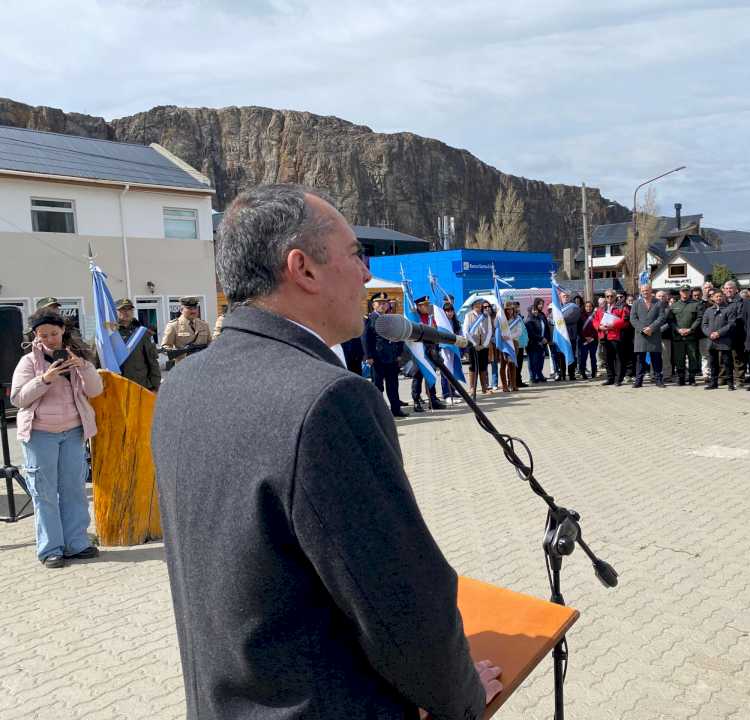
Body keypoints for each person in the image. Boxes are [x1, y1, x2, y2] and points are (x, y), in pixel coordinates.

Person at [152, 184, 501, 719]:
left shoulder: (184, 381)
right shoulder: (328, 400)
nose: (366, 275)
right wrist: (459, 695)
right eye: (356, 255)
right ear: (304, 269)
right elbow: (400, 600)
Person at [10, 310, 104, 568]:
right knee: (45, 493)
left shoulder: (78, 357)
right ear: (35, 336)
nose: (50, 339)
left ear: (63, 330)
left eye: (54, 333)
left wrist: (84, 367)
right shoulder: (28, 362)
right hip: (40, 435)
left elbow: (95, 391)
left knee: (74, 490)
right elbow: (17, 399)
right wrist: (45, 379)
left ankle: (77, 543)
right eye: (43, 335)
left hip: (73, 432)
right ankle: (51, 548)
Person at [362, 292, 406, 418]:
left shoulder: (390, 318)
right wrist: (368, 356)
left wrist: (398, 353)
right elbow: (366, 338)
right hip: (377, 358)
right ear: (373, 305)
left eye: (385, 303)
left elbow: (399, 335)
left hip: (391, 357)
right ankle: (379, 412)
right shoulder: (369, 319)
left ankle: (396, 410)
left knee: (393, 385)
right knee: (378, 386)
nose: (382, 305)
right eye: (379, 303)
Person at [114, 298, 161, 391]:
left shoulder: (143, 333)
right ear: (115, 312)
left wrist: (155, 386)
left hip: (140, 385)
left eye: (129, 309)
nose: (127, 312)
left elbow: (152, 361)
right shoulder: (110, 333)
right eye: (123, 309)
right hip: (117, 385)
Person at [411, 296, 445, 411]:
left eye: (427, 304)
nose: (427, 307)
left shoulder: (430, 318)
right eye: (424, 305)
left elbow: (436, 332)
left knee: (431, 375)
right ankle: (416, 401)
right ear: (419, 306)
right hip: (419, 351)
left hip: (430, 351)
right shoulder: (415, 318)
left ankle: (433, 399)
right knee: (418, 377)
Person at [701, 289, 738, 390]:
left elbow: (731, 324)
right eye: (716, 296)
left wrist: (718, 333)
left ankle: (730, 383)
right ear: (712, 298)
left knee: (727, 362)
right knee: (713, 363)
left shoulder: (729, 309)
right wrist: (710, 334)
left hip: (724, 341)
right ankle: (713, 383)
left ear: (724, 297)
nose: (718, 298)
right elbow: (704, 325)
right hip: (712, 341)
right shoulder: (708, 310)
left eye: (720, 296)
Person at [630, 284, 665, 388]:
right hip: (641, 335)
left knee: (656, 359)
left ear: (651, 290)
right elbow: (633, 319)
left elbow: (661, 317)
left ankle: (658, 380)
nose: (645, 292)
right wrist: (643, 329)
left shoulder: (658, 303)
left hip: (654, 335)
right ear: (641, 291)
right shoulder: (636, 303)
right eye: (643, 290)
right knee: (640, 360)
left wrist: (651, 328)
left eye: (647, 290)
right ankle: (638, 381)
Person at [160, 297, 212, 365]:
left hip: (202, 365)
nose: (193, 311)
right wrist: (182, 353)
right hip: (183, 366)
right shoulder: (174, 326)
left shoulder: (204, 325)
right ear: (181, 310)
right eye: (189, 309)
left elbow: (210, 344)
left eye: (195, 308)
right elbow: (165, 347)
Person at [669, 284, 704, 386]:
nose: (685, 293)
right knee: (679, 358)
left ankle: (692, 378)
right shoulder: (674, 306)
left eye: (687, 291)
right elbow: (671, 321)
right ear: (680, 292)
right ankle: (681, 378)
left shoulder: (696, 304)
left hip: (691, 336)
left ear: (690, 292)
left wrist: (691, 329)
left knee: (693, 357)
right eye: (683, 291)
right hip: (678, 337)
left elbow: (699, 318)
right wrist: (678, 329)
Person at [594, 289, 629, 385]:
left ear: (615, 297)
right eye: (607, 296)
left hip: (616, 336)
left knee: (619, 359)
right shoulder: (601, 308)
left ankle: (618, 379)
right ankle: (610, 378)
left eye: (611, 296)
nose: (609, 298)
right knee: (607, 359)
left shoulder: (622, 307)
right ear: (605, 297)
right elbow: (595, 320)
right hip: (604, 336)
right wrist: (599, 327)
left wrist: (612, 325)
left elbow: (625, 322)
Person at [463, 298, 493, 394]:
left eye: (479, 304)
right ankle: (472, 388)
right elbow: (465, 331)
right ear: (473, 306)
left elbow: (489, 331)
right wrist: (474, 344)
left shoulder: (486, 316)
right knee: (473, 366)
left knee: (483, 366)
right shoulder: (469, 315)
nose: (478, 306)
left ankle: (484, 387)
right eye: (476, 304)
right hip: (473, 345)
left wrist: (485, 344)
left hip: (484, 345)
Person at [721, 281, 748, 385]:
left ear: (736, 289)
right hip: (723, 335)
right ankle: (723, 378)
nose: (728, 290)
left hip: (737, 334)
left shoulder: (741, 302)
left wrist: (728, 326)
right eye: (726, 288)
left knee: (738, 357)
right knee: (723, 358)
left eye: (730, 288)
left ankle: (739, 379)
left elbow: (740, 317)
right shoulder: (721, 301)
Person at [525, 303, 548, 383]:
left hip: (541, 344)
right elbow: (531, 333)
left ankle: (539, 375)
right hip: (533, 344)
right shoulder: (529, 320)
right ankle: (532, 377)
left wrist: (545, 339)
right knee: (533, 361)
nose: (535, 311)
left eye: (536, 310)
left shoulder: (540, 318)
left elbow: (545, 329)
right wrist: (541, 339)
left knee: (540, 361)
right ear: (530, 311)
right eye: (533, 310)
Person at [498, 304, 520, 392]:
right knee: (503, 365)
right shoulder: (502, 319)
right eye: (507, 309)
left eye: (511, 309)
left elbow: (519, 331)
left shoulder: (516, 319)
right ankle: (504, 386)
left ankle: (513, 385)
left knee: (512, 364)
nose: (510, 311)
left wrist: (510, 336)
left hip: (513, 343)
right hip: (503, 344)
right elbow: (497, 329)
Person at [656, 290, 674, 381]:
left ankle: (667, 375)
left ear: (666, 298)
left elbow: (669, 323)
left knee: (666, 357)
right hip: (653, 337)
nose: (661, 298)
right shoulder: (651, 308)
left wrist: (658, 330)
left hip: (665, 336)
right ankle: (653, 375)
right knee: (654, 357)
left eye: (663, 296)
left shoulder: (669, 309)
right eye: (659, 296)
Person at [578, 299, 598, 379]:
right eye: (587, 306)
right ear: (584, 307)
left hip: (593, 340)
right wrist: (585, 337)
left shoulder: (595, 315)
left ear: (592, 307)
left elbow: (596, 327)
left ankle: (594, 372)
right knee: (583, 357)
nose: (588, 308)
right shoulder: (581, 316)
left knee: (593, 357)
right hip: (583, 340)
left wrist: (592, 337)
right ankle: (583, 373)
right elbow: (579, 328)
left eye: (590, 306)